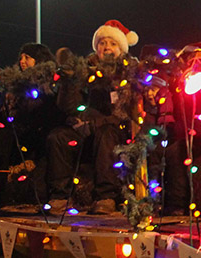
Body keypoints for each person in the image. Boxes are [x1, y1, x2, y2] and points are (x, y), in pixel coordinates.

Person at [44, 20, 140, 215]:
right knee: (58, 137)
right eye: (103, 43)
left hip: (114, 131)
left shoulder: (127, 71)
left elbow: (122, 114)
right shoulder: (84, 70)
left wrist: (95, 123)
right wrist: (69, 83)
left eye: (112, 44)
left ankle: (106, 197)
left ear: (120, 48)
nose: (107, 48)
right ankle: (61, 197)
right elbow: (68, 106)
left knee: (106, 135)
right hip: (86, 129)